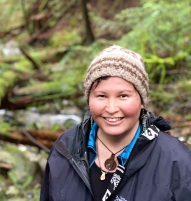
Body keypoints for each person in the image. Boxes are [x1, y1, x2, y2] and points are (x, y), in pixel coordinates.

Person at [40, 45, 191, 201]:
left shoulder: (176, 161)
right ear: (89, 99)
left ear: (142, 101)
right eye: (101, 96)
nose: (111, 109)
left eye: (123, 96)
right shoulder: (65, 148)